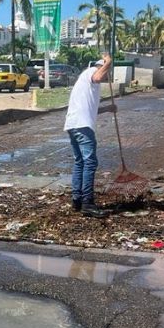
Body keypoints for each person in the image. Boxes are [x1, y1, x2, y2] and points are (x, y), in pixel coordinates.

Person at [63, 53, 115, 218]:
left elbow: (89, 108)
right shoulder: (92, 72)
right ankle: (87, 202)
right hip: (82, 125)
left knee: (80, 162)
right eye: (108, 71)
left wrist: (108, 109)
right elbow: (99, 76)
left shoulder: (85, 81)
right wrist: (109, 61)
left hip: (73, 124)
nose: (108, 76)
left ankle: (77, 200)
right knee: (90, 162)